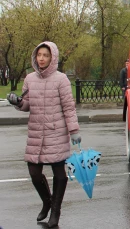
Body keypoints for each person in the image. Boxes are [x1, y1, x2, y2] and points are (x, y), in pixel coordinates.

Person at [6, 41, 81, 228]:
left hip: (56, 132)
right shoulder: (30, 78)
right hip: (36, 132)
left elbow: (69, 108)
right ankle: (47, 201)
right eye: (39, 55)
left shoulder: (62, 79)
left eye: (45, 55)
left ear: (52, 57)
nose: (41, 58)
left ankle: (55, 211)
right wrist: (17, 102)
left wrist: (74, 131)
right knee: (34, 173)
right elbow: (27, 104)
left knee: (60, 175)